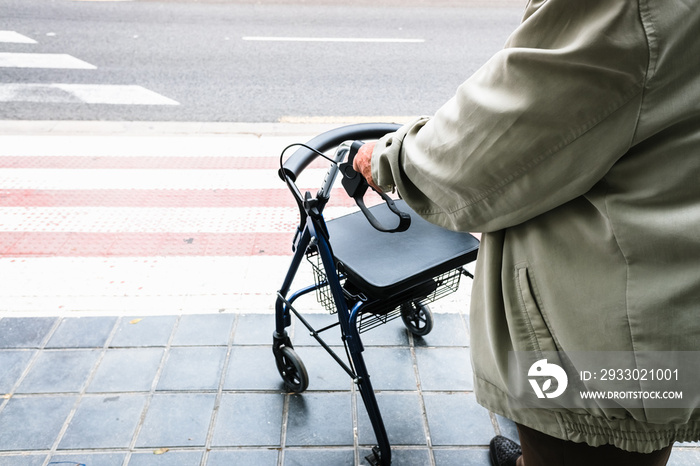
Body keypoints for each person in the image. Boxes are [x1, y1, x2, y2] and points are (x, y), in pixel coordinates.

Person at [352, 1, 700, 465]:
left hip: (596, 334)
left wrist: (387, 160)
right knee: (639, 437)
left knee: (595, 437)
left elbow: (488, 151)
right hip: (664, 302)